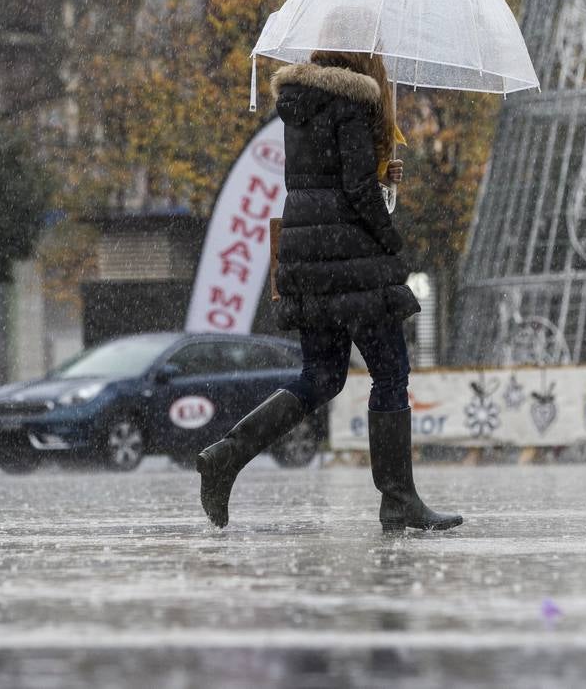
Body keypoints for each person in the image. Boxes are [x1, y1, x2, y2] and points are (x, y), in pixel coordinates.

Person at [196, 50, 463, 534]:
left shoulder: (299, 106)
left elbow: (324, 178)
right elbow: (356, 190)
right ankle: (398, 499)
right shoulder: (352, 103)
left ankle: (226, 455)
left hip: (312, 258)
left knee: (321, 376)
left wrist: (381, 173)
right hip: (352, 261)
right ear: (359, 53)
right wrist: (391, 240)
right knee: (389, 371)